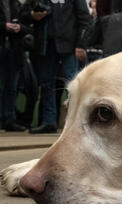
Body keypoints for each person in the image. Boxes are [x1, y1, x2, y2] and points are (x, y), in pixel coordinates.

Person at [23, 0, 92, 134]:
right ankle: (49, 121)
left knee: (73, 84)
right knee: (46, 83)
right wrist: (33, 15)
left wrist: (81, 44)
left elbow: (85, 18)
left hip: (69, 45)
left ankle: (77, 121)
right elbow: (24, 14)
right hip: (45, 45)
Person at [0, 0, 33, 132]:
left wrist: (20, 28)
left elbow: (29, 27)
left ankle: (9, 119)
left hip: (15, 49)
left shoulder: (17, 5)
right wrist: (3, 26)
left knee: (12, 86)